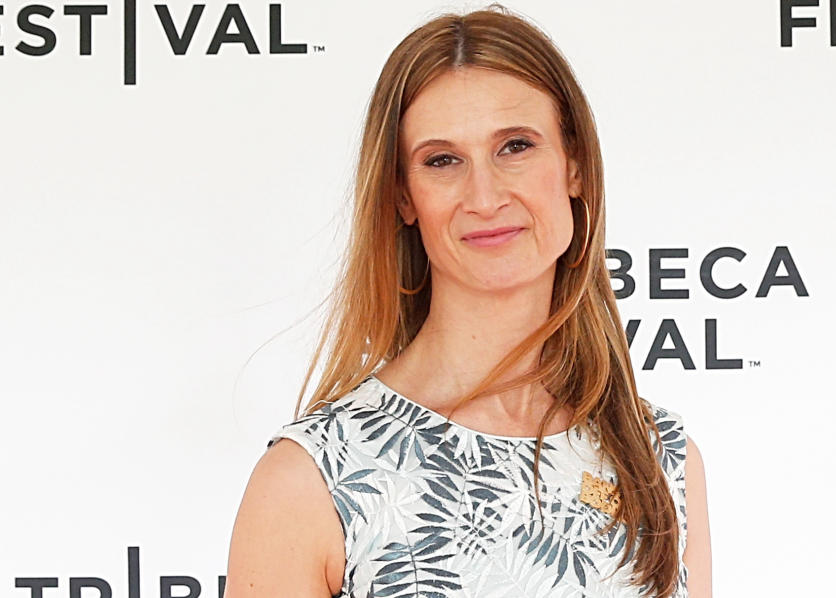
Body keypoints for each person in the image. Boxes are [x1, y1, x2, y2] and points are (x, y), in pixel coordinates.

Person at [224, 4, 711, 597]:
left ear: (575, 166)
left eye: (515, 147)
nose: (484, 196)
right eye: (443, 160)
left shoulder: (660, 457)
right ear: (404, 197)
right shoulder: (314, 480)